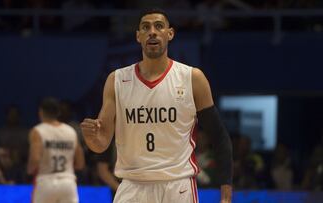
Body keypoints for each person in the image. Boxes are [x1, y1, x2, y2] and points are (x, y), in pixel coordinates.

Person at [81, 8, 233, 203]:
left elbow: (219, 136)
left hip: (177, 186)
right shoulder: (116, 80)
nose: (152, 31)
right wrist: (91, 137)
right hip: (132, 185)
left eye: (159, 26)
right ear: (138, 36)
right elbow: (101, 144)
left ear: (170, 34)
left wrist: (226, 195)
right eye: (145, 27)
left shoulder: (192, 78)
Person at [27, 97, 85, 203]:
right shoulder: (71, 131)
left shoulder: (38, 131)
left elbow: (35, 159)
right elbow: (80, 163)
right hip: (67, 182)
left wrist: (29, 170)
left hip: (46, 180)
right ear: (58, 112)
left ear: (41, 112)